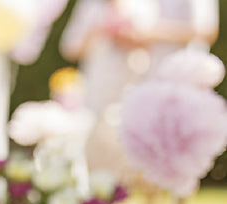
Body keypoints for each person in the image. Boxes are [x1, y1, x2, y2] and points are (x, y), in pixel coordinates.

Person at [60, 0, 219, 182]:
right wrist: (101, 31)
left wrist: (135, 38)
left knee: (123, 149)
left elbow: (148, 44)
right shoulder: (92, 5)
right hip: (98, 87)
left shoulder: (143, 5)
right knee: (89, 141)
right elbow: (71, 48)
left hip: (134, 86)